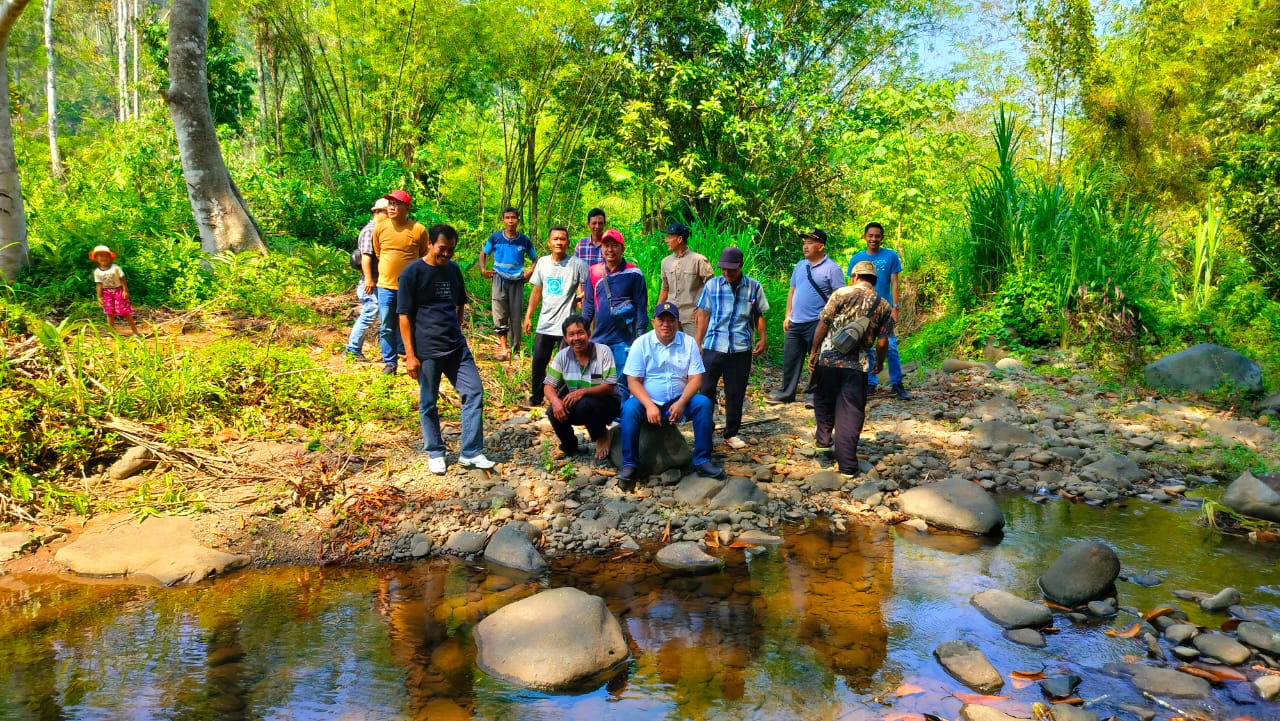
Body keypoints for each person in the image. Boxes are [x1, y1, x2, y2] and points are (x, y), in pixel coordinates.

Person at [397, 224, 496, 474]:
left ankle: (471, 452)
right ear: (430, 244)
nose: (447, 254)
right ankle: (435, 451)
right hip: (426, 350)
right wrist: (410, 354)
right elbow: (404, 316)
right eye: (443, 249)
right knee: (428, 402)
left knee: (474, 392)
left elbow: (460, 303)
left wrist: (457, 328)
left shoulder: (452, 270)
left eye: (451, 250)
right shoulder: (412, 274)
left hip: (455, 347)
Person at [618, 302, 724, 488]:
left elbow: (696, 379)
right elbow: (633, 382)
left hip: (679, 400)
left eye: (671, 320)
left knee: (703, 403)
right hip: (648, 402)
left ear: (677, 323)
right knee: (628, 408)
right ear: (653, 322)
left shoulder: (688, 343)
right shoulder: (641, 343)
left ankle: (702, 461)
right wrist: (650, 406)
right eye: (661, 320)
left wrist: (682, 402)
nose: (666, 324)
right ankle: (630, 464)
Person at [807, 260, 895, 478]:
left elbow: (823, 324)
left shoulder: (840, 294)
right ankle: (847, 467)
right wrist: (880, 362)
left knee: (823, 399)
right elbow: (883, 342)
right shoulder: (884, 305)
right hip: (858, 365)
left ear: (855, 276)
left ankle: (823, 442)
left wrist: (813, 351)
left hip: (828, 359)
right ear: (874, 280)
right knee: (851, 412)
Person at [693, 246, 768, 450]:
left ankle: (731, 433)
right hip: (713, 345)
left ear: (741, 266)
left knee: (735, 392)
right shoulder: (712, 285)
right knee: (706, 389)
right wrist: (697, 343)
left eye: (731, 270)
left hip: (740, 348)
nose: (727, 273)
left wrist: (763, 337)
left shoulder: (754, 287)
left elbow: (759, 314)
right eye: (723, 269)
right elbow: (703, 315)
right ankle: (705, 430)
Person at [766, 229, 845, 405]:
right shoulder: (800, 266)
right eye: (804, 242)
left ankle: (814, 394)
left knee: (817, 359)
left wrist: (831, 321)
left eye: (810, 243)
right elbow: (792, 290)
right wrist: (788, 315)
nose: (805, 246)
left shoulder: (832, 269)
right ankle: (786, 393)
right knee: (790, 358)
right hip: (795, 322)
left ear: (821, 246)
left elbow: (840, 297)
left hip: (817, 322)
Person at [523, 226, 589, 407]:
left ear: (568, 242)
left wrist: (582, 303)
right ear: (549, 242)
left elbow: (586, 291)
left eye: (562, 239)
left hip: (566, 326)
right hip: (545, 323)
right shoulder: (543, 263)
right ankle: (536, 398)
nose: (559, 242)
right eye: (555, 239)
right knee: (538, 363)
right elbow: (537, 291)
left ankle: (559, 400)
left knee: (564, 365)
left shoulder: (578, 264)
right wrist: (528, 316)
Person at [582, 229, 648, 406]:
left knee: (621, 382)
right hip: (599, 338)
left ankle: (621, 420)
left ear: (622, 248)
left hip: (624, 340)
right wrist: (581, 329)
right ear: (601, 248)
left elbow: (642, 307)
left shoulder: (634, 273)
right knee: (596, 379)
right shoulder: (594, 272)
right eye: (606, 245)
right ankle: (599, 417)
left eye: (614, 245)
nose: (610, 249)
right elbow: (589, 305)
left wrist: (640, 337)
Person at [846, 222, 910, 399]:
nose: (873, 239)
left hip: (885, 309)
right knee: (867, 347)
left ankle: (897, 384)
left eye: (877, 236)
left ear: (882, 237)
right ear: (865, 236)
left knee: (891, 348)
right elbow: (852, 284)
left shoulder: (890, 256)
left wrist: (896, 307)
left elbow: (895, 283)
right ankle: (870, 383)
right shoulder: (856, 258)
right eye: (870, 235)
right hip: (863, 310)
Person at [543, 314, 621, 460]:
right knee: (553, 411)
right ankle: (569, 446)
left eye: (580, 333)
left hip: (607, 404)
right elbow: (548, 386)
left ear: (588, 334)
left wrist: (582, 392)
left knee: (584, 402)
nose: (576, 338)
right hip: (581, 406)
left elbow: (610, 386)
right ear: (566, 338)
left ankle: (601, 434)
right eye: (571, 335)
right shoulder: (562, 356)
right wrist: (555, 402)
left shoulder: (603, 351)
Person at [372, 190, 429, 375]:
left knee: (411, 322)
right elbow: (379, 252)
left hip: (410, 288)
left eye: (396, 204)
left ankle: (413, 357)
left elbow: (423, 255)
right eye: (390, 204)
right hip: (386, 286)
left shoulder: (418, 229)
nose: (391, 208)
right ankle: (390, 362)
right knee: (387, 325)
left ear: (406, 208)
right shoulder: (380, 228)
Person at [479, 207, 537, 361]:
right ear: (503, 220)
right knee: (500, 314)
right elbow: (484, 253)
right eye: (507, 217)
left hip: (517, 281)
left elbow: (535, 258)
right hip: (499, 279)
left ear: (518, 220)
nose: (510, 221)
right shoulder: (496, 237)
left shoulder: (524, 240)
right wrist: (483, 269)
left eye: (513, 217)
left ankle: (516, 350)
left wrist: (530, 272)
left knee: (516, 315)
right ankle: (504, 350)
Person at [344, 197, 388, 362]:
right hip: (371, 282)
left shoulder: (380, 230)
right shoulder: (370, 230)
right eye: (386, 212)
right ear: (377, 212)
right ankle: (352, 349)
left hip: (379, 281)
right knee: (370, 312)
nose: (390, 216)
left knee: (377, 313)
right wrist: (369, 279)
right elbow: (366, 257)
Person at [656, 221, 713, 337]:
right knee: (672, 350)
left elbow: (712, 287)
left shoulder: (698, 260)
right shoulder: (665, 262)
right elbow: (665, 288)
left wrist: (703, 310)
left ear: (680, 239)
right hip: (671, 317)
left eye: (670, 237)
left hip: (692, 317)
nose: (666, 240)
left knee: (695, 350)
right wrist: (657, 312)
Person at [90, 245, 139, 334]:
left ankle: (135, 331)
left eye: (106, 256)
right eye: (101, 256)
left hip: (118, 291)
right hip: (107, 293)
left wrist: (125, 290)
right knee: (109, 313)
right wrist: (99, 296)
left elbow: (122, 279)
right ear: (96, 258)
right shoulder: (97, 272)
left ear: (110, 258)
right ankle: (111, 332)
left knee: (125, 311)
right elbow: (99, 284)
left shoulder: (115, 268)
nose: (103, 258)